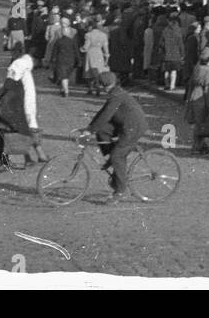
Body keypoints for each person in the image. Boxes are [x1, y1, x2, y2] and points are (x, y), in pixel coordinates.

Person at [82, 70, 149, 202]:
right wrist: (90, 128)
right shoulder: (116, 92)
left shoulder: (116, 95)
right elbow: (103, 112)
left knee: (117, 156)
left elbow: (106, 114)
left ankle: (120, 191)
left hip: (132, 128)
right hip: (125, 124)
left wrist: (90, 131)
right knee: (102, 131)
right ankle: (113, 158)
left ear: (103, 85)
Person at [0, 44, 48, 171]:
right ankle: (34, 156)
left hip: (17, 105)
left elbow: (10, 80)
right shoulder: (24, 66)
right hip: (21, 105)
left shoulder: (20, 64)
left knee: (10, 132)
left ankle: (10, 161)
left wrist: (2, 91)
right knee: (16, 131)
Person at [186, 47, 209, 155]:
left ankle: (200, 145)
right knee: (203, 123)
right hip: (202, 99)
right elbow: (208, 91)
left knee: (198, 123)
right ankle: (197, 146)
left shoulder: (197, 68)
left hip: (194, 96)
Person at [82, 17, 110, 97]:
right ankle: (98, 87)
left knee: (89, 71)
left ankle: (90, 88)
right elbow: (106, 47)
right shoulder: (103, 35)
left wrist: (81, 49)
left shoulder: (88, 35)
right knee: (98, 71)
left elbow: (86, 46)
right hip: (99, 53)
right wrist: (107, 57)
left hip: (90, 53)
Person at [49, 25, 80, 99]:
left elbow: (54, 52)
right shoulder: (72, 41)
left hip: (61, 60)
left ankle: (66, 91)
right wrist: (78, 60)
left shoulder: (58, 41)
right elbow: (76, 52)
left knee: (63, 76)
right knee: (66, 76)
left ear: (62, 33)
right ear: (69, 33)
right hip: (70, 61)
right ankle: (63, 89)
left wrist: (52, 61)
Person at [160, 12, 185, 92]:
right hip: (176, 53)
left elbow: (161, 43)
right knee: (174, 71)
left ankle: (166, 85)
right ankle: (172, 86)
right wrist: (182, 54)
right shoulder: (178, 31)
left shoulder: (165, 30)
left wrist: (163, 48)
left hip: (166, 54)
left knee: (166, 70)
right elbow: (181, 44)